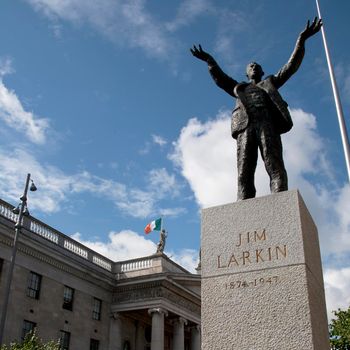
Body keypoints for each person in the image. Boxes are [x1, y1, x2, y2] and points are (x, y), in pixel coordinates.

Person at [191, 18, 322, 200]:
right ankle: (244, 204)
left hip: (267, 125)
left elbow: (290, 67)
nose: (253, 67)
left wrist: (301, 40)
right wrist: (209, 60)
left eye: (256, 66)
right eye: (250, 66)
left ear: (261, 72)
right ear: (246, 73)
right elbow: (220, 79)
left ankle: (280, 201)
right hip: (245, 127)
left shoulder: (269, 83)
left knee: (274, 164)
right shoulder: (239, 88)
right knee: (244, 171)